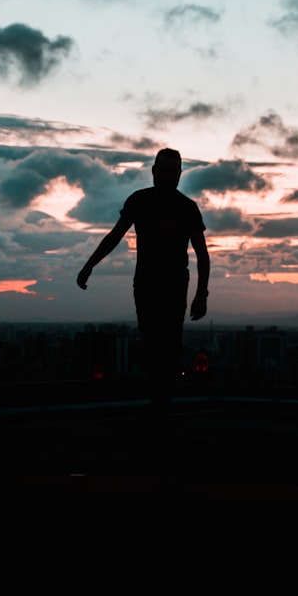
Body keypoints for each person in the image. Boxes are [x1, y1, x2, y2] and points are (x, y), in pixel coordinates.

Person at [76, 148, 210, 414]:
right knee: (151, 341)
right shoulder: (139, 201)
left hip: (174, 285)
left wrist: (201, 293)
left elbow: (202, 254)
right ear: (153, 171)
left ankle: (163, 401)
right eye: (164, 170)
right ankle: (159, 399)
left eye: (174, 172)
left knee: (169, 342)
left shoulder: (187, 208)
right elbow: (114, 236)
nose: (169, 176)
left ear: (180, 174)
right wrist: (89, 265)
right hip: (146, 283)